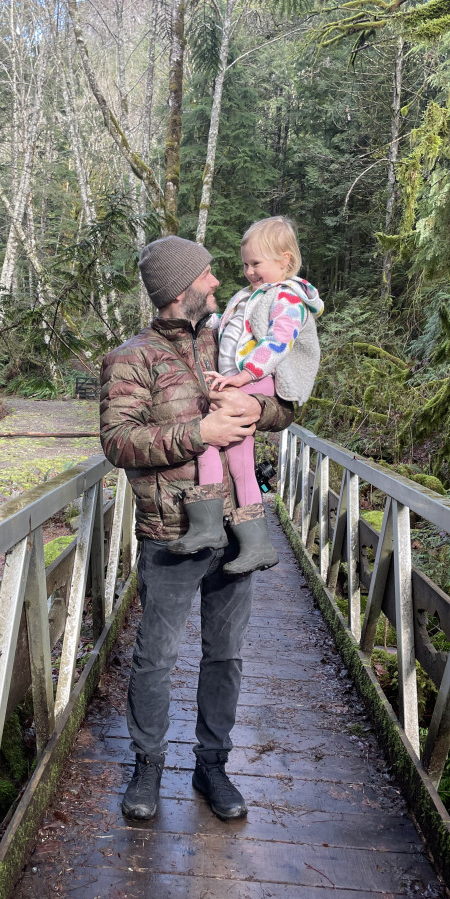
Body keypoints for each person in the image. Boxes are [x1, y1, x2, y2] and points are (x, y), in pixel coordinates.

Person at [100, 235, 294, 823]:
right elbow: (118, 442)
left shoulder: (230, 338)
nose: (216, 282)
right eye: (206, 274)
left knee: (225, 656)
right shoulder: (131, 358)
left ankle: (212, 766)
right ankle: (148, 766)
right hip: (169, 534)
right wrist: (198, 435)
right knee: (155, 659)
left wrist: (260, 410)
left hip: (236, 532)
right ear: (179, 287)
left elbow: (286, 402)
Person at [168, 217, 324, 574]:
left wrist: (244, 375)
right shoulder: (250, 295)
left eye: (256, 263)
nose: (249, 271)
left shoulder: (288, 297)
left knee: (208, 437)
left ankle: (209, 527)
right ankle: (256, 544)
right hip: (243, 380)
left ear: (284, 260)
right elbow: (229, 326)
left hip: (260, 379)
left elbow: (279, 342)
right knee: (238, 460)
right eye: (245, 265)